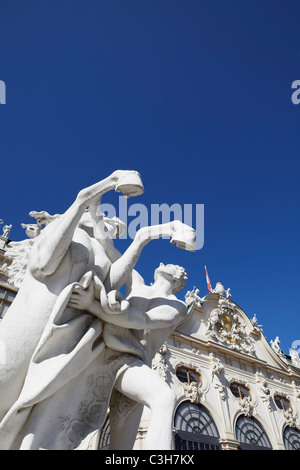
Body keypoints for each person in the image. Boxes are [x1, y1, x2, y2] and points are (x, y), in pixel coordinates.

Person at [68, 262, 189, 450]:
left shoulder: (178, 307)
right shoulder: (137, 283)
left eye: (173, 265)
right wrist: (146, 235)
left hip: (133, 364)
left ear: (178, 279)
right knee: (164, 397)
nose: (162, 262)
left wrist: (91, 305)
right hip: (104, 355)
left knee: (121, 448)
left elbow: (144, 319)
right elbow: (113, 253)